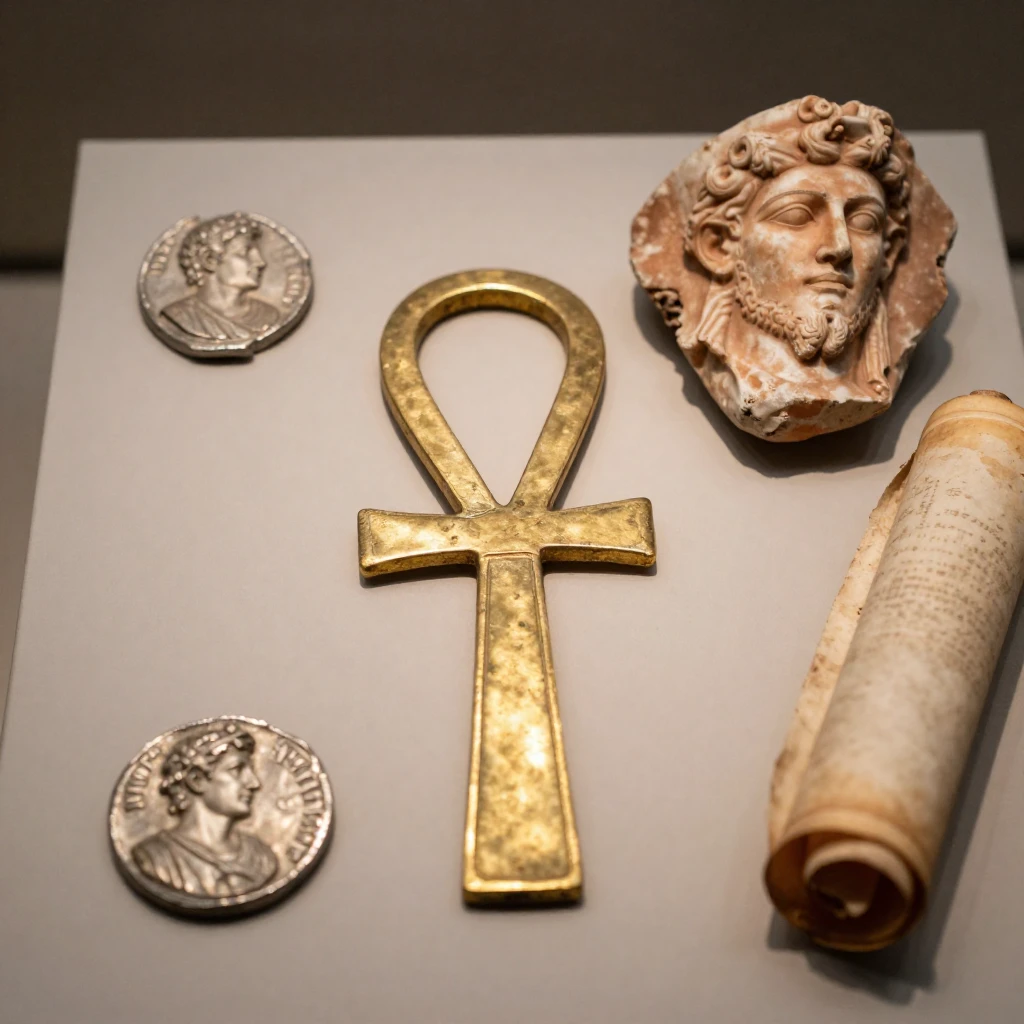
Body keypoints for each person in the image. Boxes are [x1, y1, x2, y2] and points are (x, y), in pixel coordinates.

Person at [133, 721, 278, 897]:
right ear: (197, 781)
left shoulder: (262, 858)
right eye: (236, 770)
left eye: (250, 770)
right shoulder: (154, 857)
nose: (254, 783)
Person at [161, 213, 281, 343]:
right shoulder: (179, 316)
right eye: (245, 252)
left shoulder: (268, 315)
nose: (261, 262)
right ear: (209, 260)